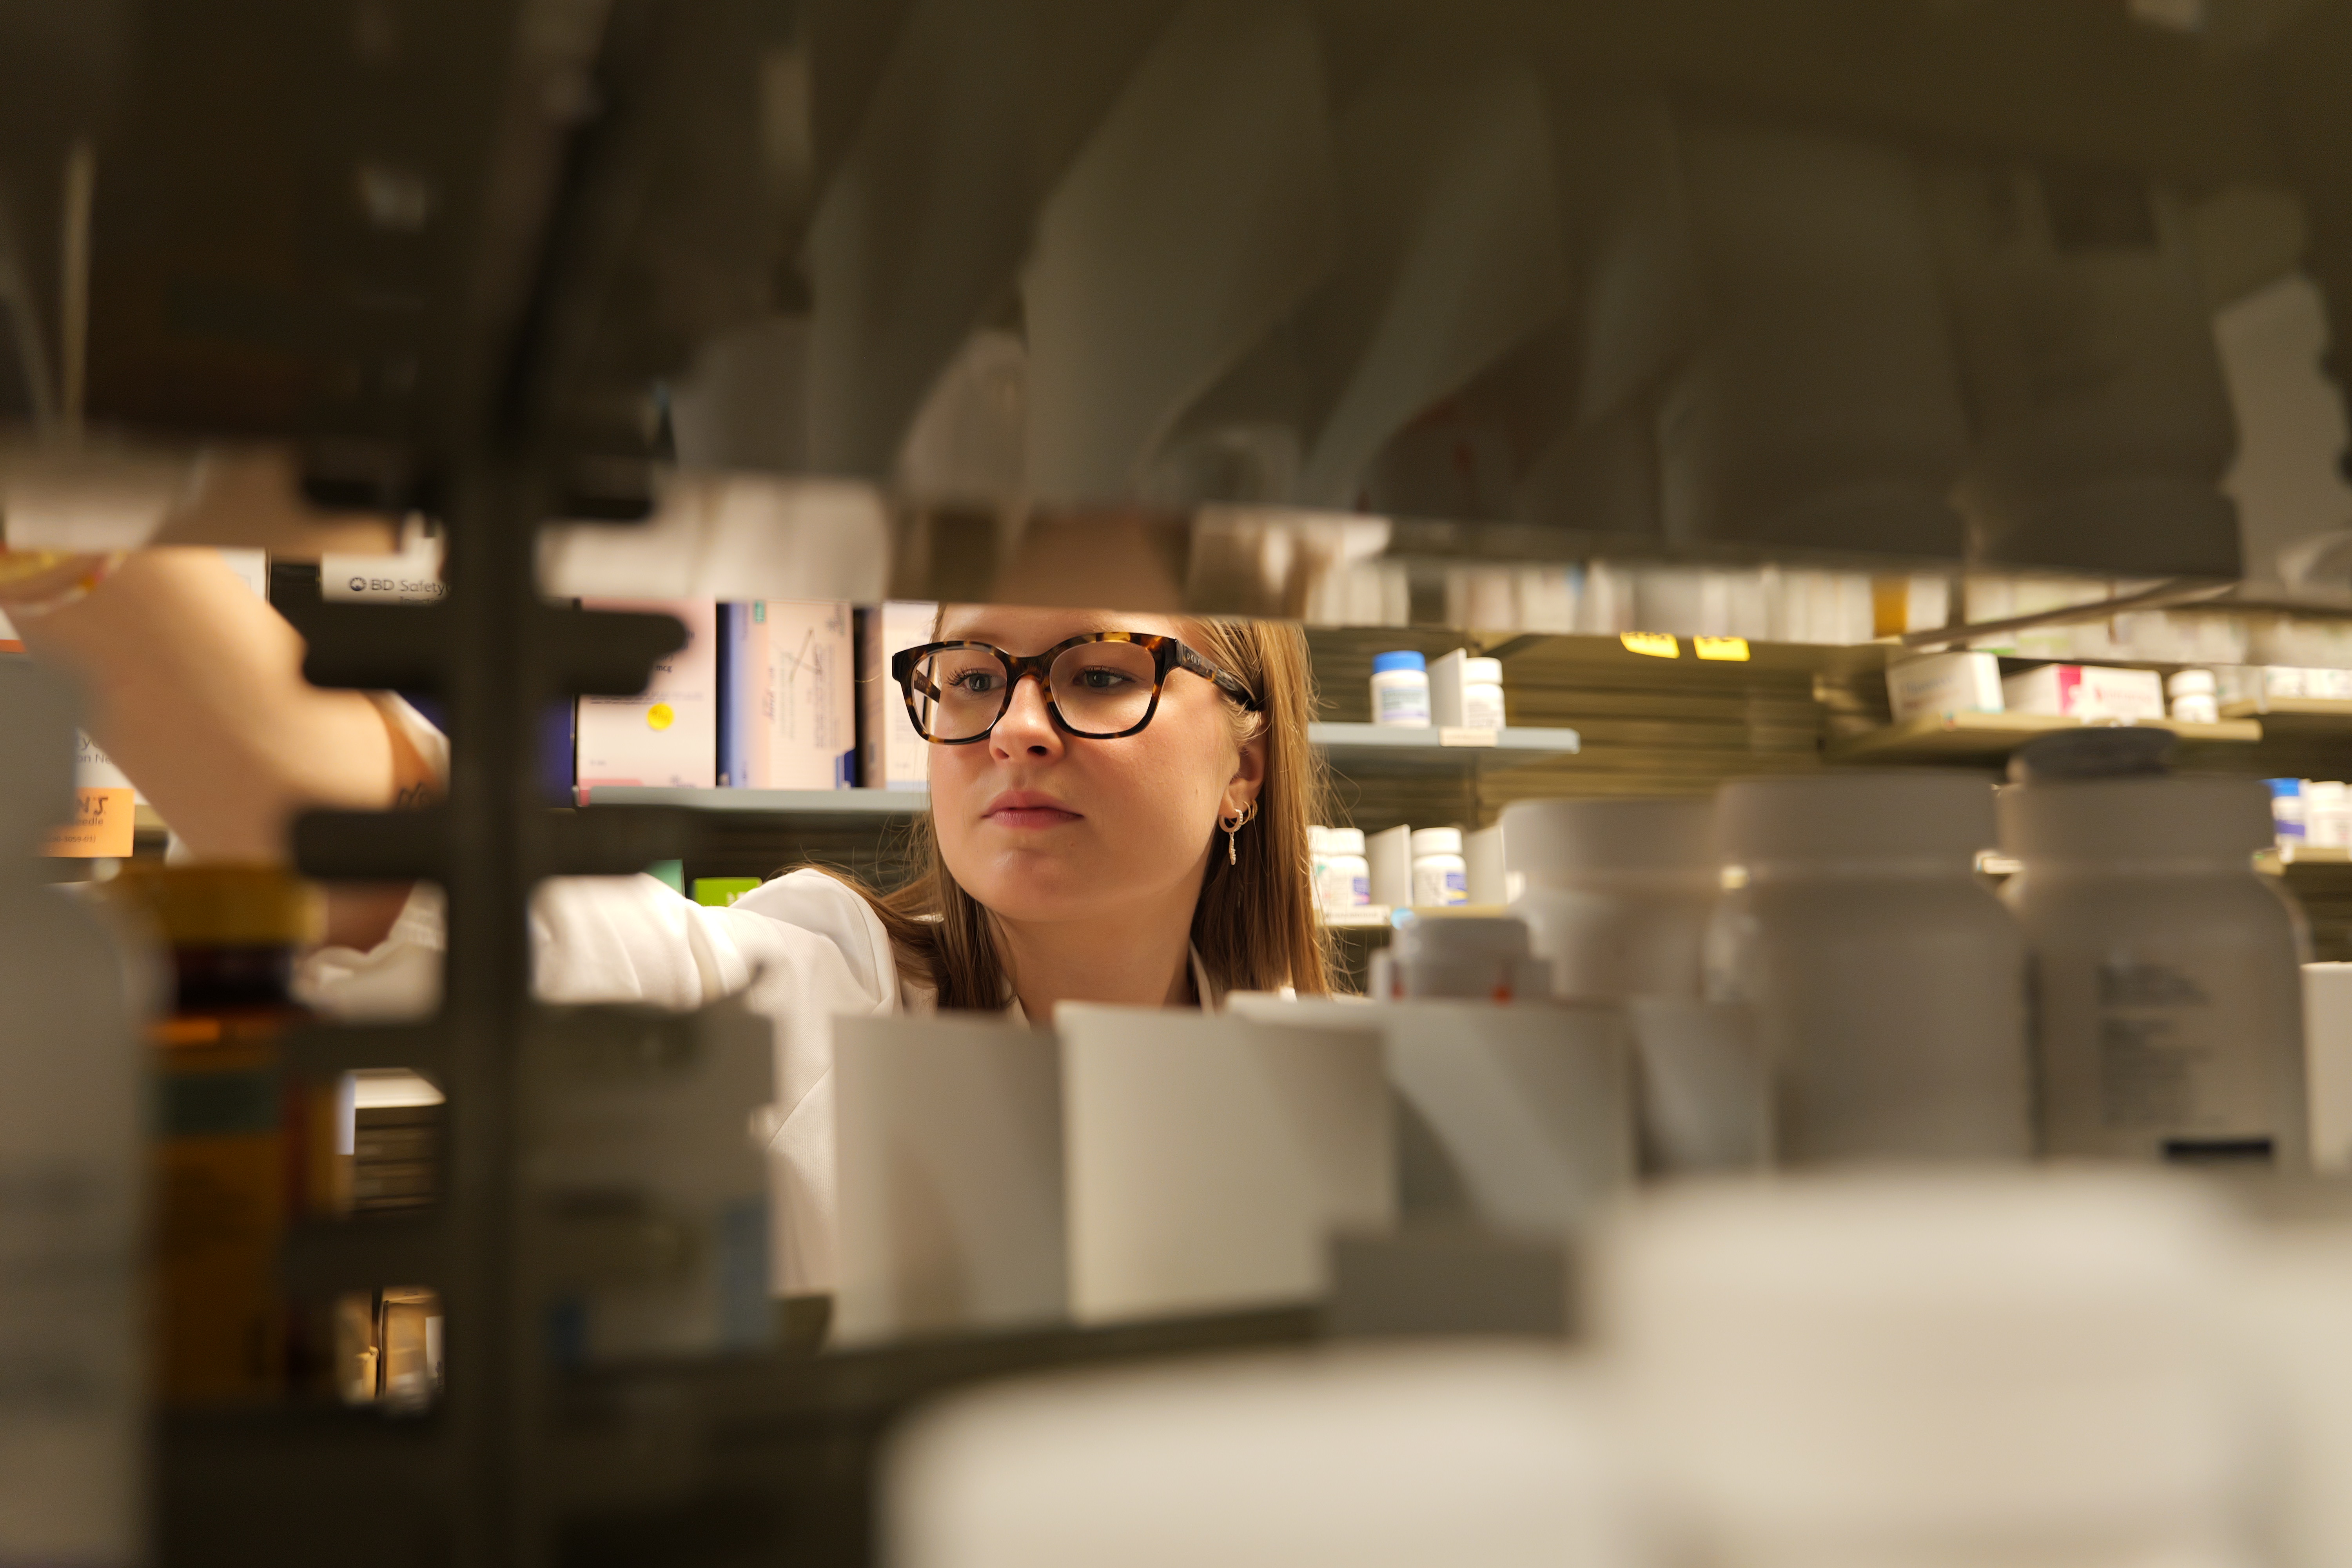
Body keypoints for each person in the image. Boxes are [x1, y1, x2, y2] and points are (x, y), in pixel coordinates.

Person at [6, 546, 1332, 1290]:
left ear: (1249, 766)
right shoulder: (825, 991)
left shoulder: (1312, 1084)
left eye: (1102, 677)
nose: (1018, 729)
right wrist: (67, 531)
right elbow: (414, 871)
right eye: (974, 678)